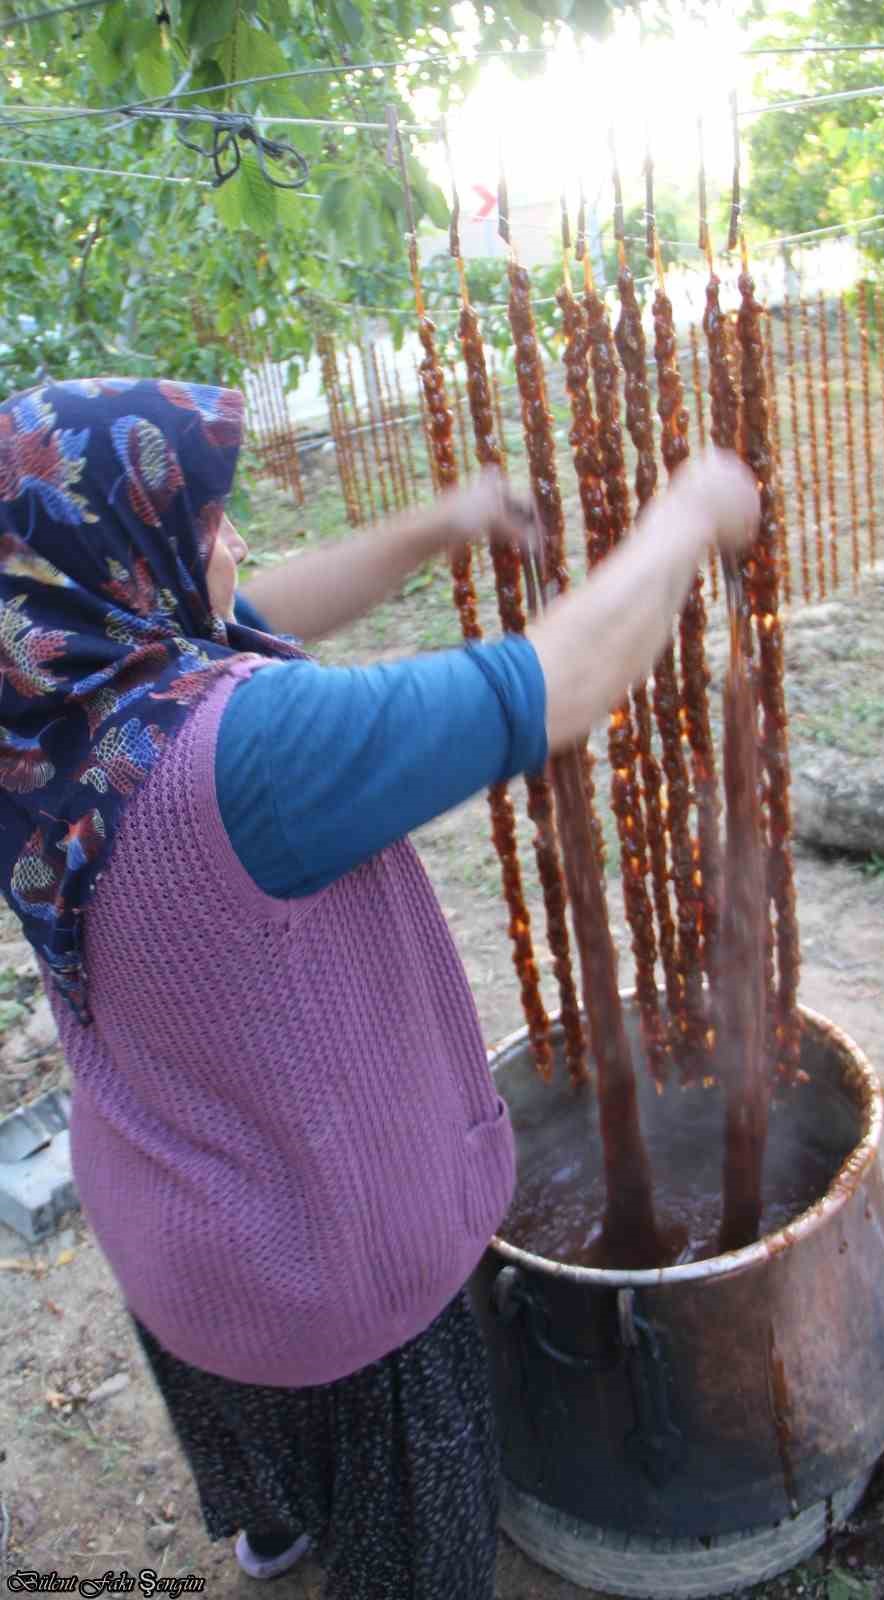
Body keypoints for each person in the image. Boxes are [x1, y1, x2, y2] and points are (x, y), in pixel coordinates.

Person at [0, 377, 757, 1598]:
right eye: (204, 522)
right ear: (132, 554)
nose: (233, 542)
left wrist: (436, 523)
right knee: (418, 1548)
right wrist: (685, 512)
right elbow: (557, 685)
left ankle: (279, 1532)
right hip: (331, 1281)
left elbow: (246, 607)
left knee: (268, 1455)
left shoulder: (48, 689)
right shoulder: (241, 761)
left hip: (172, 1237)